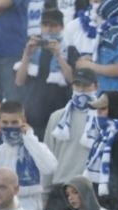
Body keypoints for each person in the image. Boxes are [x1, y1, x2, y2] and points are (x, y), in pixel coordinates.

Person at [0, 101, 57, 210]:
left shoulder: (36, 148)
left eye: (14, 122)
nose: (10, 126)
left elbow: (49, 168)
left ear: (23, 121)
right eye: (5, 123)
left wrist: (30, 138)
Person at [43, 68, 98, 210]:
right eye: (77, 84)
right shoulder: (57, 117)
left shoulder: (101, 119)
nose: (81, 89)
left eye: (85, 85)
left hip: (88, 190)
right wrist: (44, 194)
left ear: (95, 86)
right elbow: (46, 157)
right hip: (60, 189)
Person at [13, 9, 74, 139]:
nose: (48, 29)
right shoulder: (33, 48)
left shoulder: (69, 49)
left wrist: (58, 55)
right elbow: (19, 81)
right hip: (32, 111)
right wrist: (27, 55)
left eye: (53, 25)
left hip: (57, 113)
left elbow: (72, 80)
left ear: (61, 27)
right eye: (45, 25)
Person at [76, 0, 118, 107]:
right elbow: (111, 59)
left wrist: (90, 66)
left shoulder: (114, 34)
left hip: (117, 101)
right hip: (115, 98)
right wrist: (92, 59)